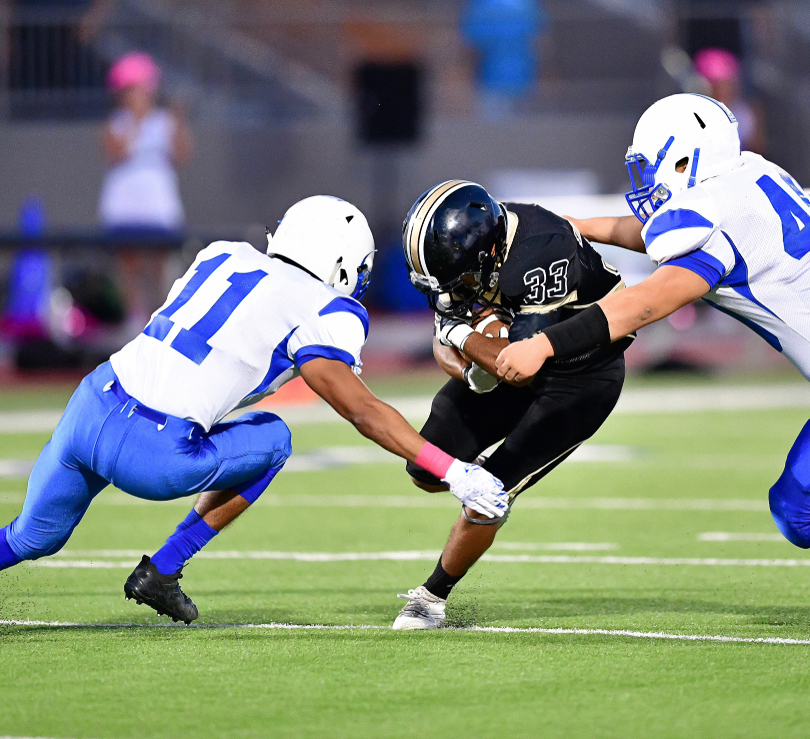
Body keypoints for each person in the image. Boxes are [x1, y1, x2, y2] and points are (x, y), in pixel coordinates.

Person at [496, 93, 810, 626]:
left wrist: (543, 345)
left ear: (686, 159)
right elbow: (655, 234)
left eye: (650, 165)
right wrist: (575, 225)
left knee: (800, 511)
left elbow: (640, 305)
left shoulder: (713, 225)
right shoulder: (747, 176)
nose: (645, 180)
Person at [0, 196, 508, 624]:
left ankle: (151, 571)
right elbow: (359, 408)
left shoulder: (222, 255)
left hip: (89, 406)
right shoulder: (328, 307)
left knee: (30, 537)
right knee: (274, 439)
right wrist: (452, 469)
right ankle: (165, 568)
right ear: (343, 264)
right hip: (153, 452)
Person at [391, 180, 632, 630]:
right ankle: (483, 471)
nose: (453, 288)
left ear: (487, 254)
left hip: (581, 376)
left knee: (489, 494)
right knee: (427, 468)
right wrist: (465, 365)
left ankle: (431, 598)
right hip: (517, 356)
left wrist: (464, 335)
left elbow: (520, 364)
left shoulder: (539, 252)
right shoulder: (476, 247)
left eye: (460, 276)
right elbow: (446, 336)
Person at [99, 51, 193, 328]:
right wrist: (135, 123)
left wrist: (180, 121)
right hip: (125, 207)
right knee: (129, 265)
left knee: (160, 266)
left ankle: (162, 320)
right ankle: (133, 321)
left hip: (158, 206)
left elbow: (182, 155)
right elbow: (114, 152)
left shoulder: (166, 121)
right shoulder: (116, 124)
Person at [692, 48, 766, 155]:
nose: (725, 90)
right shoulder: (690, 115)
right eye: (717, 85)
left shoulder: (746, 114)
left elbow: (759, 150)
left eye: (729, 84)